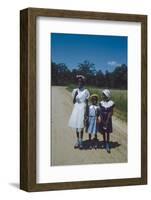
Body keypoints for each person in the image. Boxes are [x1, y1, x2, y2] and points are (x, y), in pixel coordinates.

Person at [68, 75, 90, 149]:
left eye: (81, 81)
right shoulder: (75, 90)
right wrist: (75, 95)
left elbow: (87, 103)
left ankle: (81, 142)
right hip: (76, 109)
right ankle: (77, 141)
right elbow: (74, 102)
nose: (79, 82)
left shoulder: (86, 91)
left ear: (83, 82)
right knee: (77, 127)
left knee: (81, 126)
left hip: (82, 109)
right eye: (78, 81)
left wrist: (86, 113)